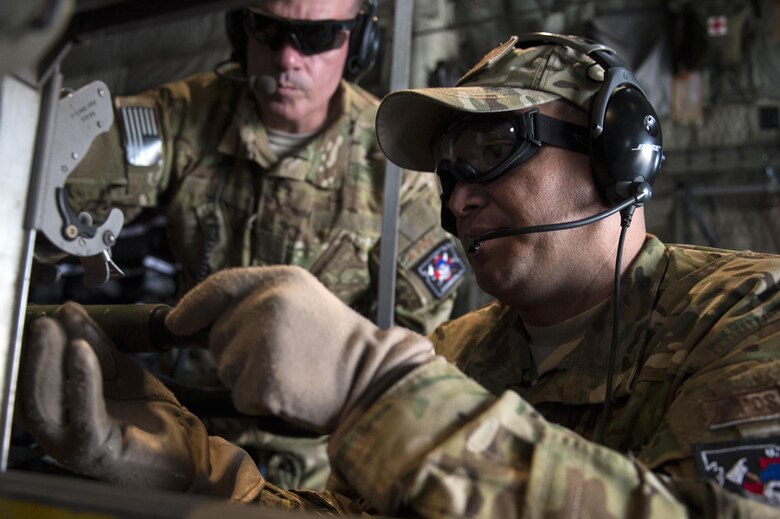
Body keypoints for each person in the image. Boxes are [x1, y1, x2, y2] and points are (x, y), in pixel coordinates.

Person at [19, 33, 780, 517]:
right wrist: (189, 472)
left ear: (619, 156)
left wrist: (379, 388)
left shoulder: (749, 312)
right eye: (449, 170)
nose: (457, 194)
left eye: (489, 150)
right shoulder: (463, 351)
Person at [43, 0, 464, 490]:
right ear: (239, 31)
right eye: (267, 30)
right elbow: (62, 175)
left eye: (317, 38)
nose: (287, 58)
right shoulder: (190, 114)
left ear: (359, 44)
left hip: (324, 458)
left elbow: (419, 353)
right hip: (180, 425)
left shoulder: (395, 172)